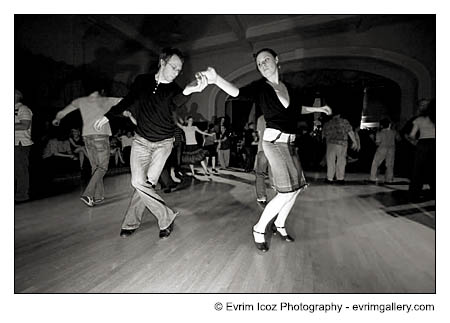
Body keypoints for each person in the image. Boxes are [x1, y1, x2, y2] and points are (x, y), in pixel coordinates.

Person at [198, 48, 331, 252]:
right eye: (259, 63)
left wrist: (318, 109)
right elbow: (237, 93)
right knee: (286, 192)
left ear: (277, 60)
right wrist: (216, 79)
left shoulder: (289, 88)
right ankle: (259, 229)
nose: (263, 65)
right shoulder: (261, 88)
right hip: (274, 142)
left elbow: (297, 109)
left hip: (290, 144)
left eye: (266, 60)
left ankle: (280, 224)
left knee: (296, 190)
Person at [94, 47, 208, 239]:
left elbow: (177, 101)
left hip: (163, 144)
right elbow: (128, 100)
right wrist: (108, 116)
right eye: (173, 67)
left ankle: (131, 223)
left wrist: (191, 89)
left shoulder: (173, 89)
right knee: (139, 183)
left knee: (146, 184)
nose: (176, 72)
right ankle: (167, 217)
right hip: (141, 141)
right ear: (162, 63)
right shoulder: (142, 81)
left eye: (179, 70)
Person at [52, 85, 122, 206]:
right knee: (103, 167)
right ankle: (88, 194)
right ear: (102, 90)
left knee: (95, 167)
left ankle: (98, 196)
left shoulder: (81, 101)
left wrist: (57, 119)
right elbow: (126, 101)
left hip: (87, 136)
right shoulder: (106, 99)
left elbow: (63, 112)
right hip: (100, 135)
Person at [408, 98, 436, 201]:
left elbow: (411, 135)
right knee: (434, 169)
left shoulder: (418, 120)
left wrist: (416, 143)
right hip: (435, 143)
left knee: (418, 171)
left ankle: (414, 195)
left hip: (423, 144)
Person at [322, 111, 358, 184]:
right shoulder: (344, 122)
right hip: (342, 144)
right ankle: (340, 179)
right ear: (339, 114)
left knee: (330, 161)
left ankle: (330, 178)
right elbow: (350, 132)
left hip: (331, 144)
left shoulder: (327, 123)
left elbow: (324, 136)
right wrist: (355, 141)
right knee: (341, 161)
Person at [14, 89, 33, 202]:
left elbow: (25, 125)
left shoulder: (23, 109)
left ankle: (22, 195)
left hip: (20, 143)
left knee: (20, 170)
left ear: (17, 96)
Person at [369, 118, 399, 183]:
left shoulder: (380, 132)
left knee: (375, 163)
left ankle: (373, 177)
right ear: (389, 124)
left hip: (382, 148)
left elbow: (377, 143)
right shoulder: (393, 132)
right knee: (390, 165)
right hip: (391, 149)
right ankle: (389, 179)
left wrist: (372, 138)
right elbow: (398, 138)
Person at [254, 114, 271, 207]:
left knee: (260, 174)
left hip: (262, 148)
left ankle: (262, 197)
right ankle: (279, 196)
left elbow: (260, 134)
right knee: (274, 175)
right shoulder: (276, 114)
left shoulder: (261, 118)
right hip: (274, 149)